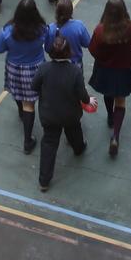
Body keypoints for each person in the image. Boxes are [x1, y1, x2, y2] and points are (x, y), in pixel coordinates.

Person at [87, 0, 131, 157]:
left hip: (105, 69)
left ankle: (110, 117)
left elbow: (92, 50)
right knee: (121, 100)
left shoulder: (100, 30)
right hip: (124, 69)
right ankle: (115, 135)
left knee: (108, 93)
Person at [32, 36, 90, 190]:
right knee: (74, 131)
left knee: (49, 145)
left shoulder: (43, 69)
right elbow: (82, 95)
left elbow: (34, 86)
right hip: (70, 114)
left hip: (49, 115)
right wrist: (89, 100)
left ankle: (44, 181)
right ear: (68, 51)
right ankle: (78, 149)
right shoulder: (75, 71)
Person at [0, 0, 49, 151]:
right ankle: (27, 140)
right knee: (30, 103)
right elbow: (50, 44)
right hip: (36, 68)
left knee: (18, 94)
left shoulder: (7, 31)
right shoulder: (42, 29)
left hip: (15, 68)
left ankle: (22, 112)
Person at [45, 0, 94, 113]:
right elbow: (87, 43)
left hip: (56, 64)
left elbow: (47, 48)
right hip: (75, 65)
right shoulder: (79, 26)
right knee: (77, 86)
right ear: (71, 11)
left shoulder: (51, 29)